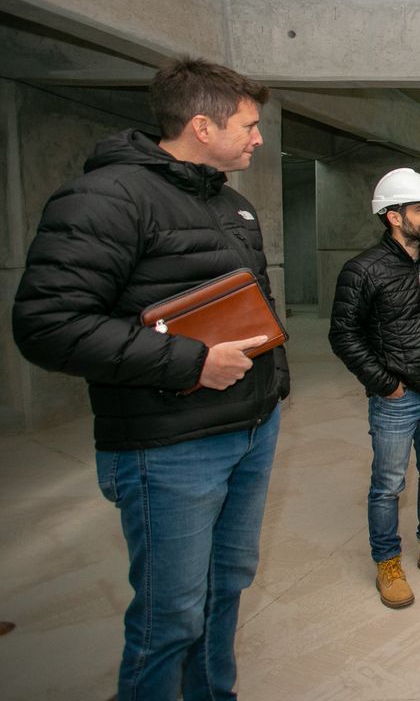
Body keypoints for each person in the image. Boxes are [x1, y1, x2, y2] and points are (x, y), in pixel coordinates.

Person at [11, 57, 289, 699]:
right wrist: (192, 362)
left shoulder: (232, 204)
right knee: (171, 618)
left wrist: (273, 388)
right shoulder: (106, 197)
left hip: (250, 427)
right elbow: (48, 324)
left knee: (226, 587)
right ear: (202, 126)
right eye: (248, 125)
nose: (258, 138)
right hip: (170, 445)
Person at [328, 168, 420, 608]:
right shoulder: (363, 270)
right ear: (393, 216)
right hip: (397, 399)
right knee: (388, 485)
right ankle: (387, 562)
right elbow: (343, 335)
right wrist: (385, 384)